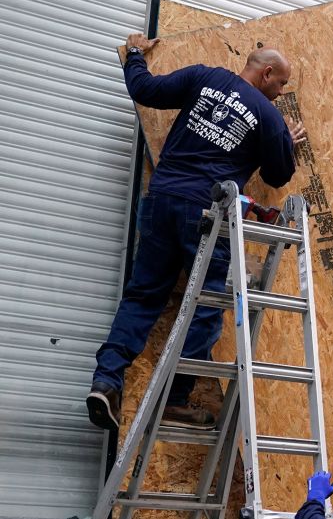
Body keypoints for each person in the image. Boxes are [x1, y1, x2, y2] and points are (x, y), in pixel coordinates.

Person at [86, 33, 306, 432]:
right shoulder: (269, 117)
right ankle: (174, 400)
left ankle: (107, 380)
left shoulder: (203, 78)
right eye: (282, 83)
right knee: (207, 305)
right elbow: (279, 174)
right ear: (267, 72)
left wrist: (135, 54)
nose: (281, 92)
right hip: (205, 213)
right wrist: (283, 143)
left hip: (162, 199)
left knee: (143, 296)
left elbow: (143, 88)